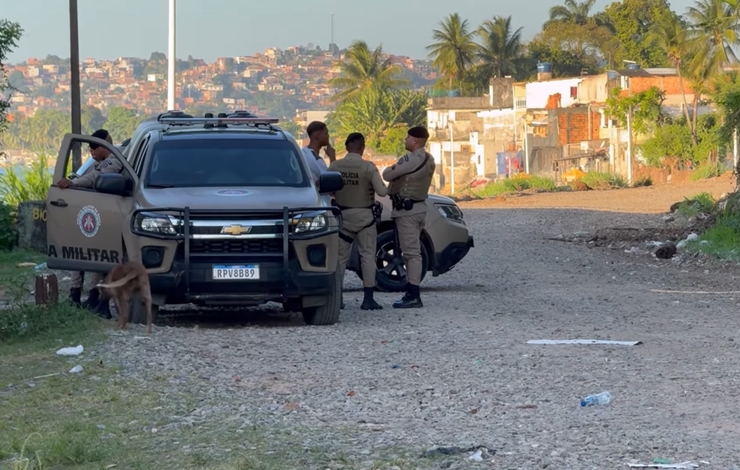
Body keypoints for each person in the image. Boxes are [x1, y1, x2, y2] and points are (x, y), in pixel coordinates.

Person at [56, 128, 120, 318]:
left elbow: (94, 179)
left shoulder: (113, 162)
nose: (91, 151)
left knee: (102, 259)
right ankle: (76, 295)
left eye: (93, 147)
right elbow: (84, 175)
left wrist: (73, 184)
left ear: (103, 146)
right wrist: (70, 182)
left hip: (108, 217)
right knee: (82, 254)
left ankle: (97, 299)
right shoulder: (96, 163)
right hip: (94, 214)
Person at [328, 132, 387, 310]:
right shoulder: (368, 167)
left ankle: (337, 299)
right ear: (362, 148)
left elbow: (324, 188)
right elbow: (382, 192)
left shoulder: (335, 166)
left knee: (339, 259)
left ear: (346, 147)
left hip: (343, 218)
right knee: (368, 256)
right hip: (365, 218)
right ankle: (368, 298)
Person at [382, 126, 435, 309]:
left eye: (407, 137)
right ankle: (412, 291)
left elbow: (387, 174)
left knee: (411, 253)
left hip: (407, 211)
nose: (405, 140)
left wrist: (393, 166)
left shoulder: (411, 159)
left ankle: (413, 294)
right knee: (413, 252)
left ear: (415, 140)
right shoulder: (429, 159)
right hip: (418, 208)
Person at [301, 121, 336, 204]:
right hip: (319, 203)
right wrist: (332, 157)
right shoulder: (313, 158)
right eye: (326, 133)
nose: (328, 136)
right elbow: (330, 182)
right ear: (317, 135)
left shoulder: (305, 153)